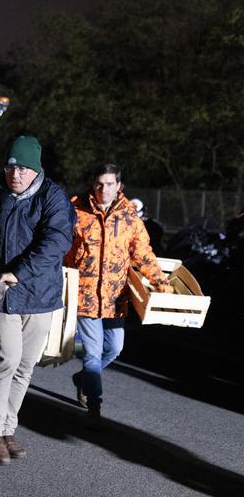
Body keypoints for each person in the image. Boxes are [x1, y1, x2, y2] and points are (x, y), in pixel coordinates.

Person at [0, 135, 75, 465]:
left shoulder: (54, 198)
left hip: (40, 295)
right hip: (2, 295)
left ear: (36, 170)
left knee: (24, 366)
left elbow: (56, 241)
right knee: (6, 359)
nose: (15, 174)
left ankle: (8, 428)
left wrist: (20, 271)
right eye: (10, 167)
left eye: (22, 168)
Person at [64, 165, 172, 427]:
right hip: (85, 296)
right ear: (93, 184)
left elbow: (143, 254)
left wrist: (161, 282)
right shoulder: (76, 211)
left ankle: (85, 379)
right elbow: (60, 246)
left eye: (110, 184)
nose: (104, 189)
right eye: (100, 184)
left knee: (114, 347)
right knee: (92, 353)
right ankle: (94, 406)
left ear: (119, 187)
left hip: (115, 299)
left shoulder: (129, 217)